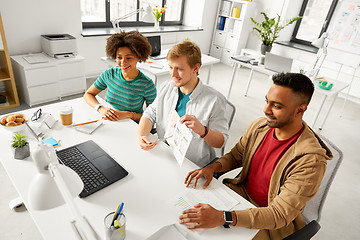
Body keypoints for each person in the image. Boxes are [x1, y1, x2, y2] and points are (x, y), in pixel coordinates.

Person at [180, 72, 333, 240]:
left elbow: (278, 215)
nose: (266, 110)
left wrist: (222, 217)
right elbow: (236, 156)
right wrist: (212, 167)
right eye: (267, 101)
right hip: (240, 196)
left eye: (277, 106)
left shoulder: (311, 161)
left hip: (270, 220)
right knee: (190, 217)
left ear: (300, 110)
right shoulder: (260, 126)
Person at [138, 41, 228, 167]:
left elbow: (220, 142)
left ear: (195, 68)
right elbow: (150, 113)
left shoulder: (215, 100)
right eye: (170, 67)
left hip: (192, 166)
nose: (173, 74)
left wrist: (203, 130)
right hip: (165, 155)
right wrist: (142, 135)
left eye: (179, 69)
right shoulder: (166, 87)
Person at [84, 31, 156, 122]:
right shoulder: (109, 74)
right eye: (119, 57)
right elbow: (88, 94)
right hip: (109, 121)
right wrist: (100, 108)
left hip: (132, 125)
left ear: (139, 57)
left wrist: (129, 114)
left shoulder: (147, 85)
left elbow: (153, 115)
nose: (122, 62)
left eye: (129, 58)